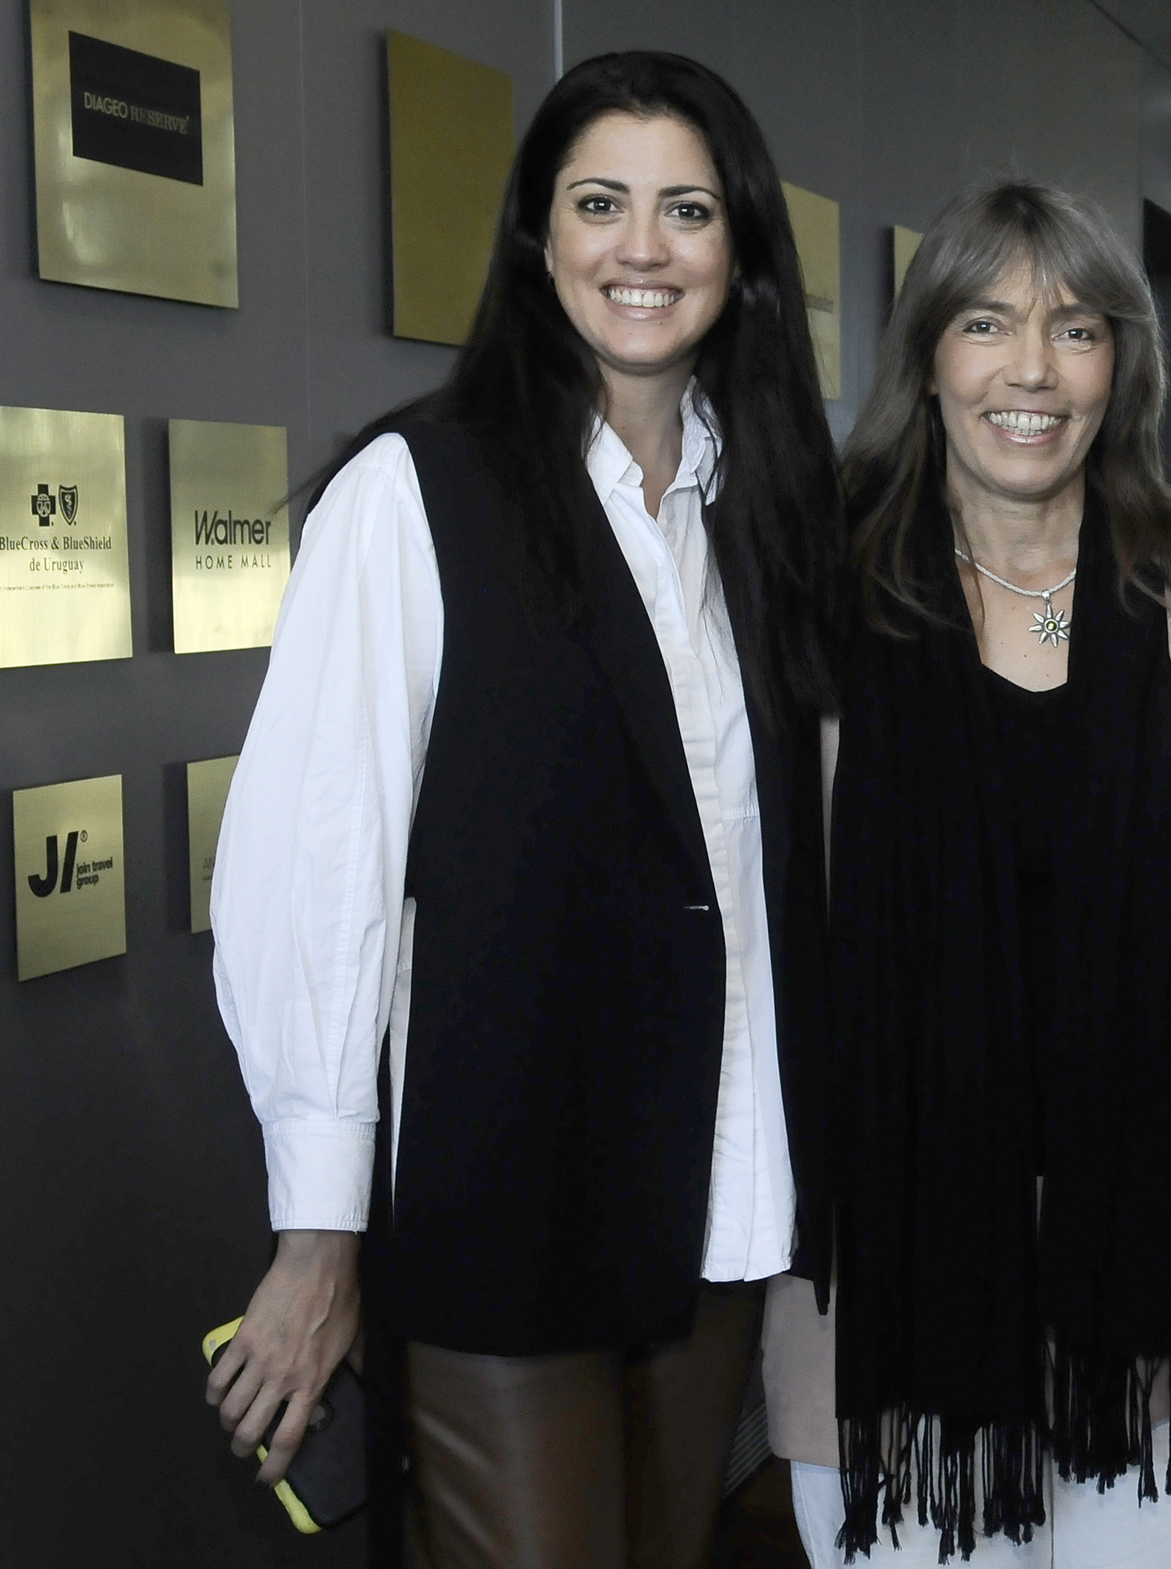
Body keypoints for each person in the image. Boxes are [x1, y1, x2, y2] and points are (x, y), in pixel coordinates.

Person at [204, 52, 839, 1569]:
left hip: (715, 1205)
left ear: (741, 249)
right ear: (535, 238)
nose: (642, 247)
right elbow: (320, 867)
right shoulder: (414, 494)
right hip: (504, 1200)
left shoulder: (768, 510)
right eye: (599, 203)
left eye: (686, 209)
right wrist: (318, 1231)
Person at [760, 180, 1171, 1566]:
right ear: (928, 356)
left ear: (1125, 362)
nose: (1031, 372)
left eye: (1075, 328)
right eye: (987, 323)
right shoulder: (816, 598)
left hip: (1149, 1275)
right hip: (888, 1278)